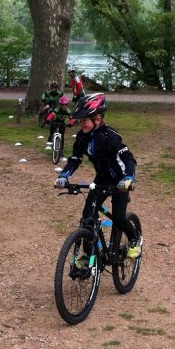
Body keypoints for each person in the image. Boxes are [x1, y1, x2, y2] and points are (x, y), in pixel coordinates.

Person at [54, 93, 142, 259]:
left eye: (84, 120)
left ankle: (135, 238)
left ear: (98, 119)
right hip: (101, 180)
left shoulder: (111, 136)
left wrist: (129, 177)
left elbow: (129, 159)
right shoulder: (82, 137)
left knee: (119, 219)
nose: (81, 124)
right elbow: (75, 159)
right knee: (87, 217)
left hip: (119, 181)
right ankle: (89, 256)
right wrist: (65, 176)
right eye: (79, 120)